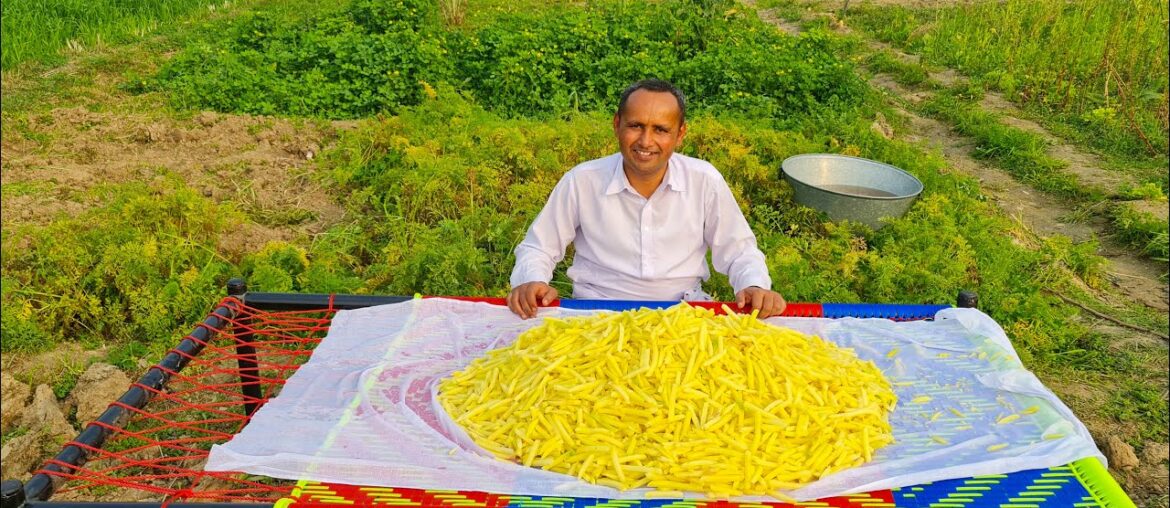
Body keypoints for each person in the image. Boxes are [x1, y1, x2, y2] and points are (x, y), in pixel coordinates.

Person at [506, 79, 786, 319]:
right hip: (595, 315)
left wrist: (755, 285)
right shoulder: (583, 181)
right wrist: (531, 281)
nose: (646, 141)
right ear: (617, 125)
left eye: (660, 129)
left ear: (680, 134)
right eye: (636, 126)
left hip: (686, 314)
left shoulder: (704, 180)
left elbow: (739, 251)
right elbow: (538, 247)